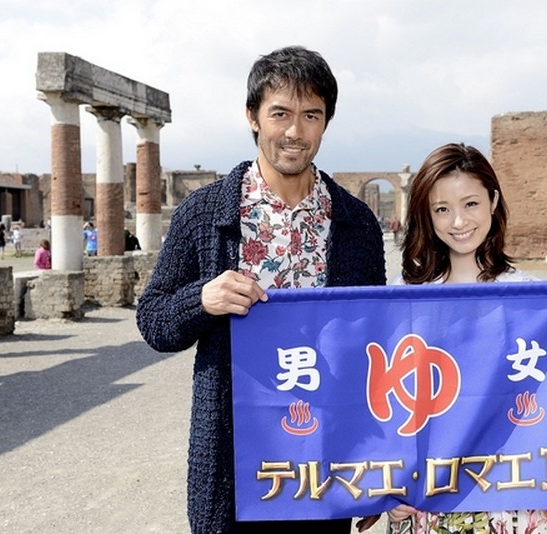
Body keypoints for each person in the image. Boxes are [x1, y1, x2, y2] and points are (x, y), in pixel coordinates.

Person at [135, 45, 386, 534]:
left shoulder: (357, 225)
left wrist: (374, 464)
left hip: (324, 460)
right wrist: (202, 300)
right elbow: (153, 319)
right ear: (253, 117)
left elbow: (372, 349)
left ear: (326, 123)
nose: (295, 131)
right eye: (280, 113)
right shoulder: (205, 214)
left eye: (311, 115)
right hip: (232, 462)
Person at [386, 143, 547, 534]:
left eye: (471, 204)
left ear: (493, 201)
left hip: (508, 490)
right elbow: (389, 402)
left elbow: (543, 389)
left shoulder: (528, 294)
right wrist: (389, 486)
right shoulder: (405, 296)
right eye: (442, 209)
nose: (459, 221)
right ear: (426, 213)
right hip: (427, 493)